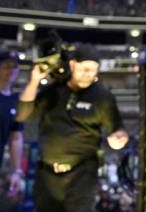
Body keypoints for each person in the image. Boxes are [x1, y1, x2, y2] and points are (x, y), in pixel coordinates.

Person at [16, 44, 128, 212]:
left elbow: (117, 129)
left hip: (82, 173)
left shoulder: (103, 97)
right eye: (84, 68)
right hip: (47, 173)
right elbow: (22, 114)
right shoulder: (53, 91)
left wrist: (119, 139)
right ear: (73, 65)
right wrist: (34, 81)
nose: (88, 74)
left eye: (93, 69)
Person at [0, 51, 24, 198]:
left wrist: (16, 170)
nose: (10, 70)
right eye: (6, 66)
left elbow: (16, 138)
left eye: (14, 67)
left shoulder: (15, 100)